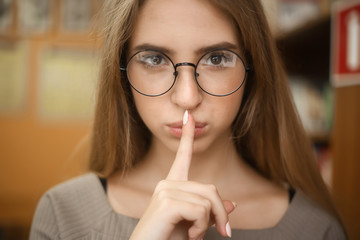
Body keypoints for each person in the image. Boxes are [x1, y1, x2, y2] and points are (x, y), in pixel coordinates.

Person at [30, 0, 347, 239]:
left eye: (216, 59)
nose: (187, 97)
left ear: (253, 67)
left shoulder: (317, 229)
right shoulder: (62, 215)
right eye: (154, 59)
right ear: (121, 72)